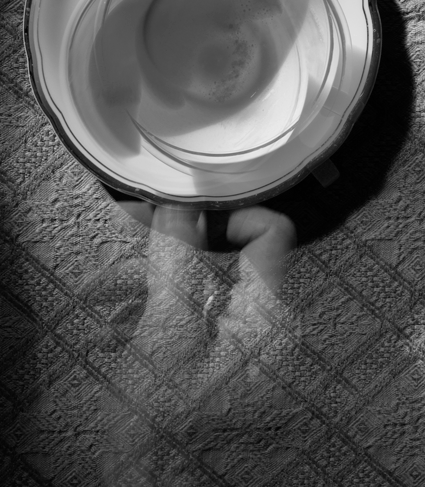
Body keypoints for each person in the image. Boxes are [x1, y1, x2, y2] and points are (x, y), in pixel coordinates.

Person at [100, 202, 297, 485]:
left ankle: (199, 224)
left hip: (154, 421)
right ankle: (204, 224)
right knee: (270, 231)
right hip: (190, 419)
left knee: (184, 238)